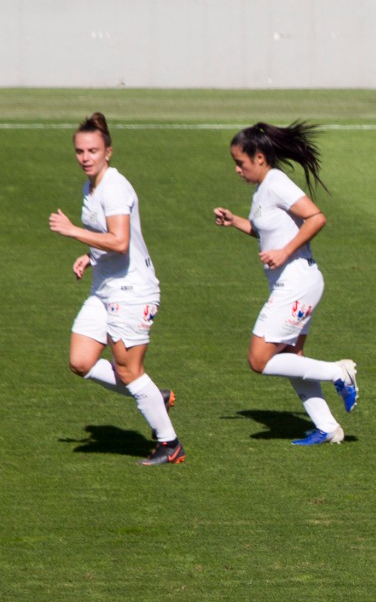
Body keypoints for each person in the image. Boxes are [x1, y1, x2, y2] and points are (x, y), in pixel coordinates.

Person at [212, 122, 358, 446]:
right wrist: (236, 221)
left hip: (298, 281)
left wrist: (284, 252)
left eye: (241, 162)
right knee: (292, 356)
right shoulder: (262, 188)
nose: (237, 169)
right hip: (292, 281)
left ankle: (340, 372)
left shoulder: (276, 182)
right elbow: (267, 231)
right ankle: (328, 427)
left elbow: (316, 217)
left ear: (260, 157)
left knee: (259, 359)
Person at [49, 113, 183, 466]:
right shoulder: (90, 188)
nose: (85, 157)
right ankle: (152, 393)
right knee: (80, 361)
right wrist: (91, 257)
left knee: (128, 372)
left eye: (92, 150)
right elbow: (108, 240)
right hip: (105, 287)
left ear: (109, 151)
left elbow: (121, 241)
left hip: (132, 291)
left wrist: (73, 231)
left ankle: (170, 444)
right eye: (79, 151)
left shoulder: (115, 187)